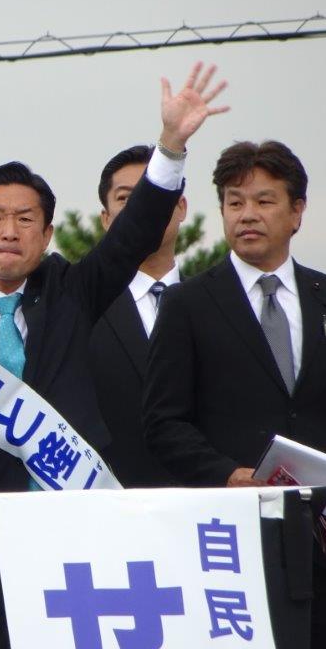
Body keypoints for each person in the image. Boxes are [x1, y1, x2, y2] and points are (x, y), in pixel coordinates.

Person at [0, 63, 228, 649]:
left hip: (73, 526)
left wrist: (169, 146)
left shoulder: (71, 293)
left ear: (46, 234)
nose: (10, 230)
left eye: (25, 219)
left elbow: (133, 235)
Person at [143, 140, 326, 648]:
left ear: (296, 211)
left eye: (264, 201)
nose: (247, 214)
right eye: (234, 202)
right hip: (232, 545)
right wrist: (226, 473)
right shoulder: (187, 304)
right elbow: (162, 424)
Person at [89, 144, 186, 487]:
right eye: (126, 198)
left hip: (205, 500)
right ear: (106, 218)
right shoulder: (80, 308)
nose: (144, 208)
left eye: (156, 193)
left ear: (181, 207)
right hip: (109, 497)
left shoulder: (215, 301)